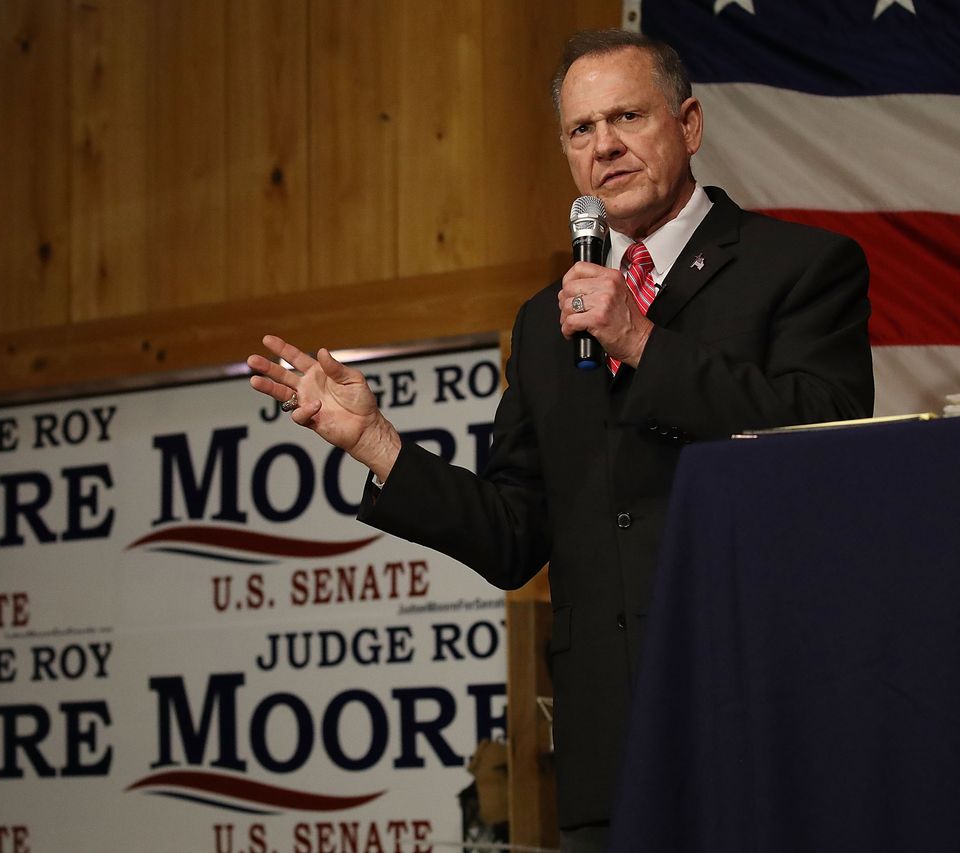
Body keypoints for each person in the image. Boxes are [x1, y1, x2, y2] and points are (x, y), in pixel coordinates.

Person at [247, 29, 873, 853]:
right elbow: (516, 534)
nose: (604, 145)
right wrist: (375, 442)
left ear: (688, 124)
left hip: (763, 716)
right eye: (581, 130)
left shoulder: (801, 267)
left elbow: (826, 440)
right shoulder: (547, 324)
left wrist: (642, 343)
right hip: (611, 745)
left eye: (626, 117)